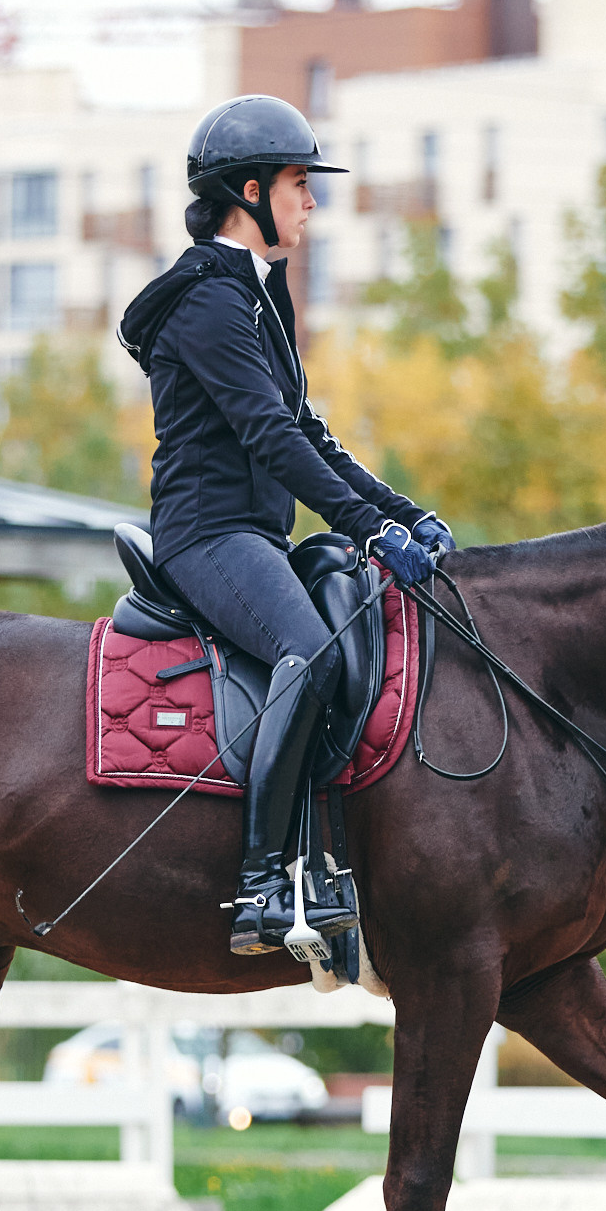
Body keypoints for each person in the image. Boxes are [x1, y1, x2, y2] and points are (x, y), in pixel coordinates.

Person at [117, 94, 455, 958]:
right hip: (209, 535)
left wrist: (398, 512)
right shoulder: (206, 299)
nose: (312, 201)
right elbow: (265, 435)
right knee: (311, 652)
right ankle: (264, 880)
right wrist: (373, 532)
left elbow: (307, 432)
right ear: (250, 191)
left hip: (257, 534)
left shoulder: (260, 295)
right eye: (301, 182)